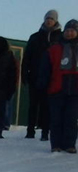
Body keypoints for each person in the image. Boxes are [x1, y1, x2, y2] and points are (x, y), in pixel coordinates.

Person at [39, 19, 78, 153]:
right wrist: (43, 83)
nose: (69, 33)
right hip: (57, 88)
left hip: (75, 90)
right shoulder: (54, 49)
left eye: (72, 31)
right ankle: (56, 144)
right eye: (67, 30)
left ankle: (69, 144)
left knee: (71, 118)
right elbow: (45, 68)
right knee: (56, 119)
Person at [23, 10, 62, 140]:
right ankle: (30, 131)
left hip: (52, 77)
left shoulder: (60, 38)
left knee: (47, 105)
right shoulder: (35, 37)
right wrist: (25, 74)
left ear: (55, 21)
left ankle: (45, 132)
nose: (49, 21)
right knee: (33, 105)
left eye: (51, 19)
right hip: (35, 75)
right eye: (47, 18)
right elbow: (27, 57)